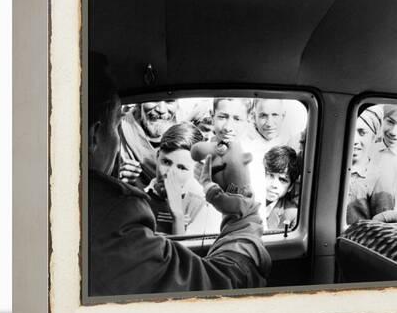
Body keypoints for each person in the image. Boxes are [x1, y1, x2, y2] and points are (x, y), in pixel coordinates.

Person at [88, 63, 271, 296]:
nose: (170, 173)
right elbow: (221, 288)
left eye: (182, 167)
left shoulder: (196, 202)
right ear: (95, 135)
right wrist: (240, 212)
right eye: (116, 127)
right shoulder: (117, 214)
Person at [145, 122, 221, 235]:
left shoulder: (200, 206)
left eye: (182, 168)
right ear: (157, 156)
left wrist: (178, 216)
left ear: (195, 169)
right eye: (166, 162)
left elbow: (184, 252)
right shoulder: (141, 199)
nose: (170, 174)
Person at [346, 107, 397, 224]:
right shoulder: (330, 170)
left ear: (373, 137)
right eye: (349, 131)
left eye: (362, 133)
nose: (354, 139)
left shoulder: (379, 178)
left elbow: (383, 229)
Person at [118, 100, 178, 188]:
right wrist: (116, 178)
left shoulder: (183, 133)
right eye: (154, 99)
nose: (161, 110)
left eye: (169, 101)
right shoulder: (120, 129)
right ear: (140, 102)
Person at [263, 146, 300, 230]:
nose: (274, 185)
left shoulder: (292, 214)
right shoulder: (244, 201)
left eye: (282, 180)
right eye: (270, 175)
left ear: (290, 187)